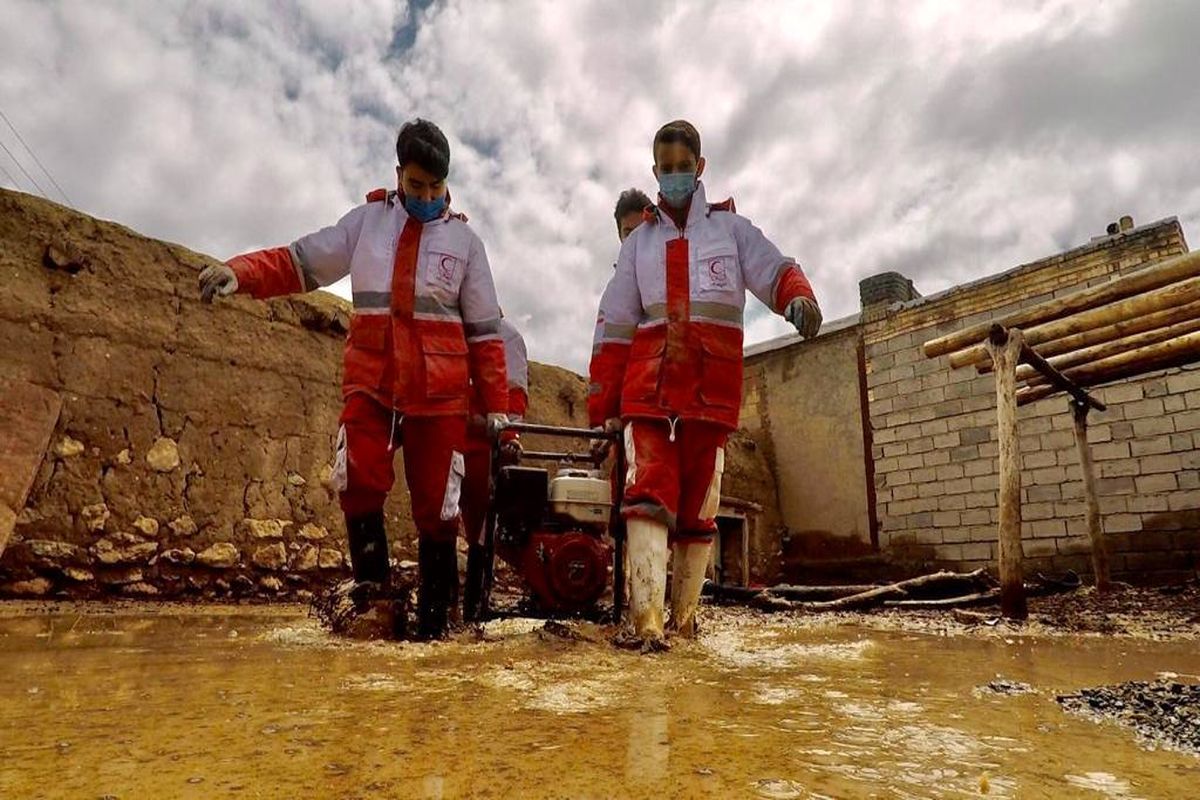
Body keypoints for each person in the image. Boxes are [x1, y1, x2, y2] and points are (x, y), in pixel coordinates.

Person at [198, 118, 509, 640]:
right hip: (372, 384)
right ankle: (374, 606)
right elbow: (302, 262)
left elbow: (484, 331)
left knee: (438, 507)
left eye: (436, 187)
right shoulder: (366, 223)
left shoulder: (467, 243)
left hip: (440, 396)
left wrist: (497, 405)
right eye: (416, 186)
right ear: (398, 176)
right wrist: (242, 272)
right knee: (357, 481)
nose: (427, 196)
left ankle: (437, 628)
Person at [589, 120, 821, 647]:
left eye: (681, 167)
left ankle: (685, 623)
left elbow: (774, 267)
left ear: (700, 168)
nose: (673, 176)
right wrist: (603, 406)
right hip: (648, 396)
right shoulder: (637, 247)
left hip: (709, 401)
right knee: (646, 500)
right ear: (655, 172)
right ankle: (647, 627)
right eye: (664, 168)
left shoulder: (732, 232)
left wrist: (796, 297)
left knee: (699, 511)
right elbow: (613, 330)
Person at [460, 316, 528, 623]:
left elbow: (514, 399)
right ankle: (445, 610)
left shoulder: (507, 338)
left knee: (480, 530)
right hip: (445, 437)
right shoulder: (449, 327)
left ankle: (473, 610)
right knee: (438, 520)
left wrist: (509, 439)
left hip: (482, 445)